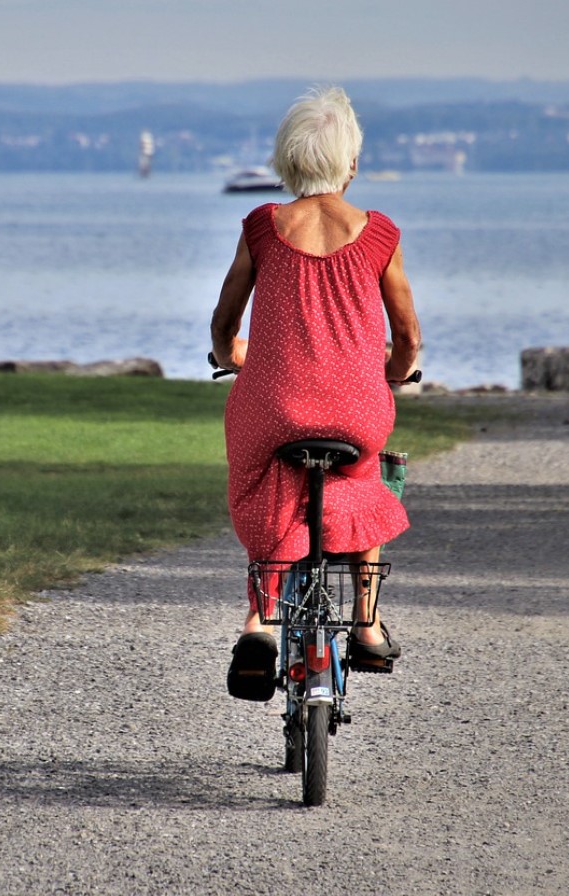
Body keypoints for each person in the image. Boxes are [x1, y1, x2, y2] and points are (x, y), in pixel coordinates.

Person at [210, 86, 421, 701]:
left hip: (273, 405)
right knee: (363, 481)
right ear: (350, 163)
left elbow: (225, 326)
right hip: (356, 408)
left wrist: (234, 358)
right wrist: (396, 371)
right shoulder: (379, 233)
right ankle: (367, 621)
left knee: (266, 477)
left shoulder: (262, 227)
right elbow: (406, 335)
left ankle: (260, 623)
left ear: (286, 161)